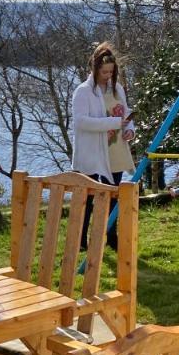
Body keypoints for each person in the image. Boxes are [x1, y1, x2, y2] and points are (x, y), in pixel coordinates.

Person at [71, 42, 135, 249]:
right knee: (88, 198)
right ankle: (81, 239)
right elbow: (81, 122)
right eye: (104, 71)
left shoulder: (117, 89)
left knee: (113, 197)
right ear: (95, 69)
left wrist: (129, 129)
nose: (107, 75)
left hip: (114, 150)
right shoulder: (83, 91)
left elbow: (125, 112)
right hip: (92, 152)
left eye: (111, 71)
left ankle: (111, 237)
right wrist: (114, 123)